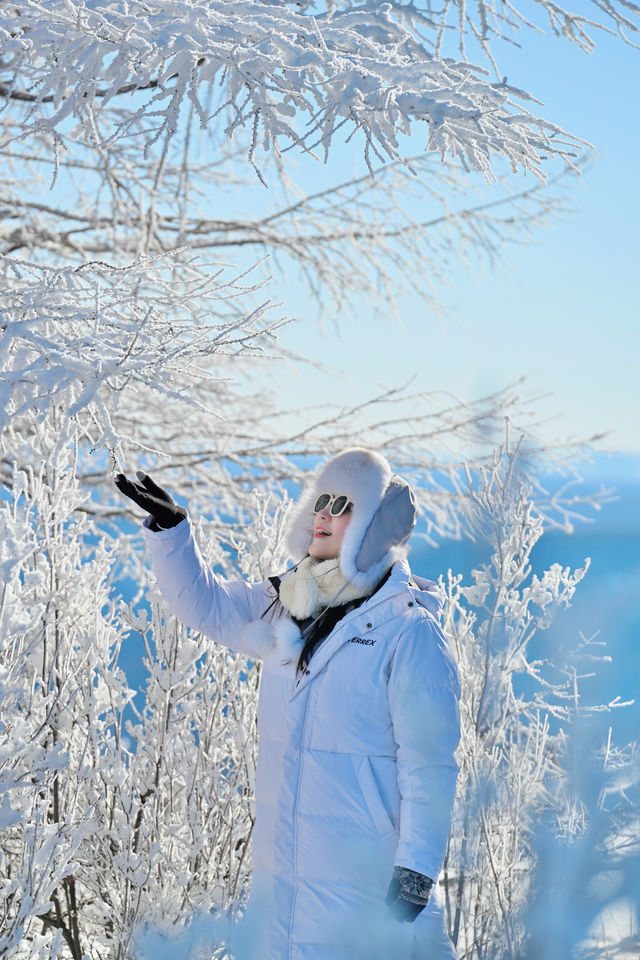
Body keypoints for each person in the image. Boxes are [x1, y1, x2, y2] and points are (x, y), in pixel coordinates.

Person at [115, 447, 460, 960]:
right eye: (322, 498)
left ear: (370, 526)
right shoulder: (288, 602)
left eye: (344, 504)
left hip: (365, 886)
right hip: (285, 885)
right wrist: (172, 536)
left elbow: (430, 765)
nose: (325, 511)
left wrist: (416, 872)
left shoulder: (408, 630)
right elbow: (206, 605)